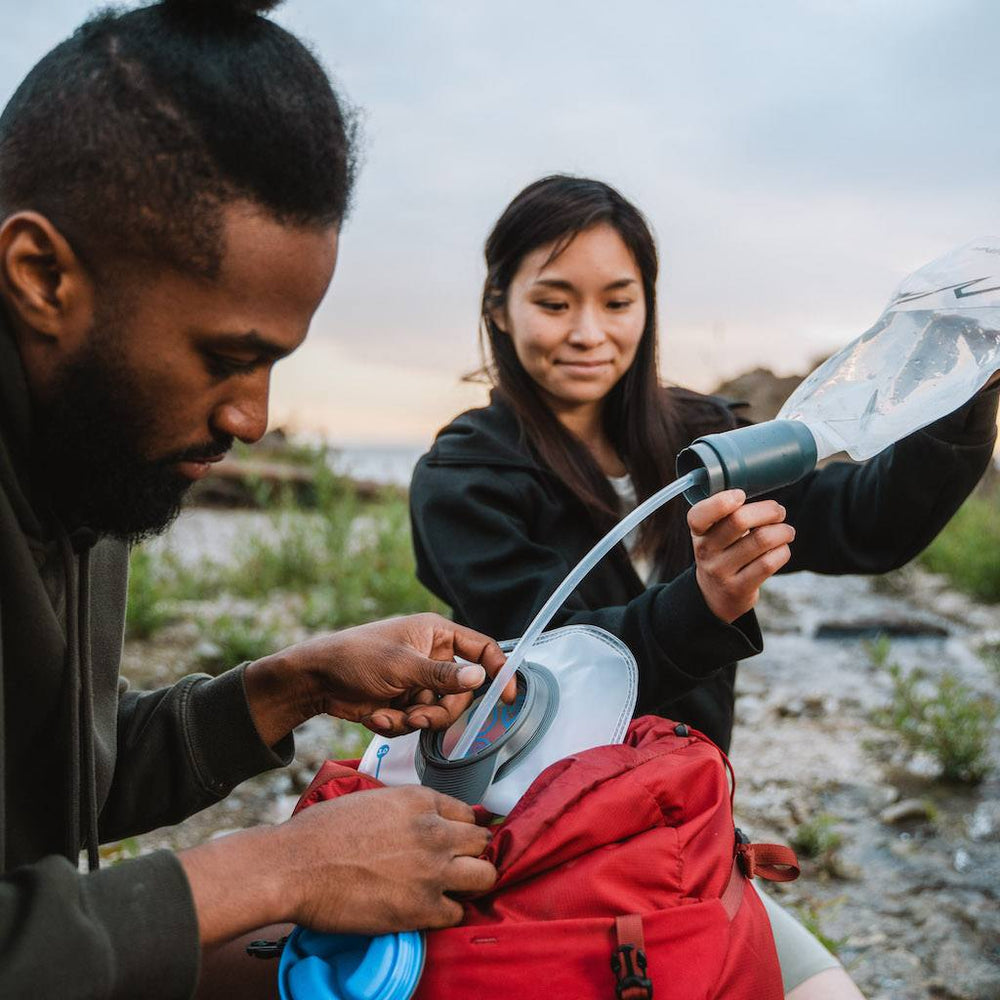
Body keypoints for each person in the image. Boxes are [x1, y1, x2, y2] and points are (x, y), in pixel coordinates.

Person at [0, 2, 512, 997]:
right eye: (227, 358)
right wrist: (277, 866)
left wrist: (292, 683)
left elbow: (44, 782)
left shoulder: (83, 455)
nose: (253, 417)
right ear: (41, 275)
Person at [408, 175, 1000, 998]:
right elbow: (555, 673)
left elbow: (868, 523)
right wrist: (706, 602)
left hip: (680, 830)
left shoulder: (704, 440)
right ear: (499, 307)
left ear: (647, 306)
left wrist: (963, 390)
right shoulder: (463, 479)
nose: (589, 333)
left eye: (618, 301)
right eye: (554, 302)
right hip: (531, 841)